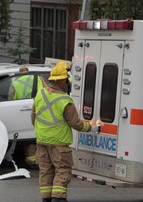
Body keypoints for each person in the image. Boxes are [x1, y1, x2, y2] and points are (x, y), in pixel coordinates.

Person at [31, 65, 100, 202]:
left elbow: (33, 117)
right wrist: (92, 128)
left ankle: (46, 197)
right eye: (66, 80)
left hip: (41, 141)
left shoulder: (40, 94)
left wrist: (42, 131)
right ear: (62, 81)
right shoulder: (65, 100)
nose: (67, 83)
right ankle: (58, 197)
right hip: (59, 144)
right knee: (62, 169)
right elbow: (76, 123)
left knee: (46, 170)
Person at [8, 66, 46, 168]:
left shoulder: (15, 84)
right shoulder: (39, 78)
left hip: (22, 111)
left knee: (26, 137)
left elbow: (10, 98)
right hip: (40, 109)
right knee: (36, 136)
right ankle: (38, 160)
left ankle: (31, 161)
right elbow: (47, 90)